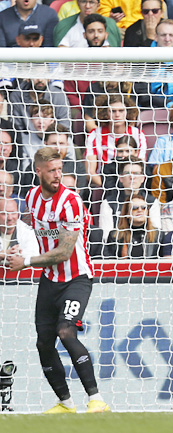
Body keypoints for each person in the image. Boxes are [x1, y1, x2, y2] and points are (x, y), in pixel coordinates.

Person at [6, 147, 109, 414]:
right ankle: (65, 403)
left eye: (60, 170)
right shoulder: (31, 197)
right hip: (49, 280)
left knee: (65, 331)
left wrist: (26, 262)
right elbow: (36, 231)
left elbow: (64, 252)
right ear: (38, 170)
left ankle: (96, 399)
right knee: (43, 341)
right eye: (52, 170)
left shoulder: (71, 201)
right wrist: (20, 249)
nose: (57, 175)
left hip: (76, 278)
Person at [85, 94, 147, 188]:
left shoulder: (138, 135)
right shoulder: (94, 135)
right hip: (103, 186)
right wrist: (110, 187)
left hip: (133, 185)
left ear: (127, 112)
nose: (117, 115)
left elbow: (141, 166)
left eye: (121, 111)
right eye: (113, 111)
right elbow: (90, 172)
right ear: (106, 113)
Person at [104, 194, 162, 258]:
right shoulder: (115, 235)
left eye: (143, 208)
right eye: (134, 208)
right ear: (127, 213)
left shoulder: (158, 235)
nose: (140, 210)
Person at [55, 0, 122, 47]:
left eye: (92, 2)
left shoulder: (110, 24)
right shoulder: (65, 25)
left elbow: (113, 56)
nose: (87, 6)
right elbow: (60, 55)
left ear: (98, 5)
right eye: (83, 1)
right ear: (78, 3)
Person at [0, 197, 38, 264]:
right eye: (5, 213)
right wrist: (2, 254)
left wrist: (20, 254)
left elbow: (35, 255)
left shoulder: (28, 231)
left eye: (13, 213)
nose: (10, 218)